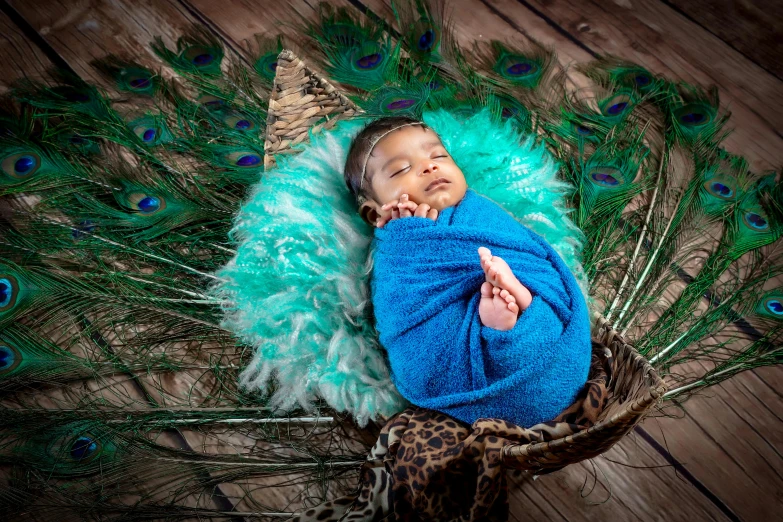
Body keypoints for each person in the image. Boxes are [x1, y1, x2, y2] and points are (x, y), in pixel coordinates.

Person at [344, 115, 592, 428]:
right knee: (427, 359)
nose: (429, 167)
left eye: (439, 156)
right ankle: (501, 318)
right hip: (461, 359)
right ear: (373, 211)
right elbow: (401, 308)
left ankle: (515, 307)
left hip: (556, 357)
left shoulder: (479, 210)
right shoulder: (396, 250)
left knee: (539, 295)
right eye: (400, 170)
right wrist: (408, 236)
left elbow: (532, 255)